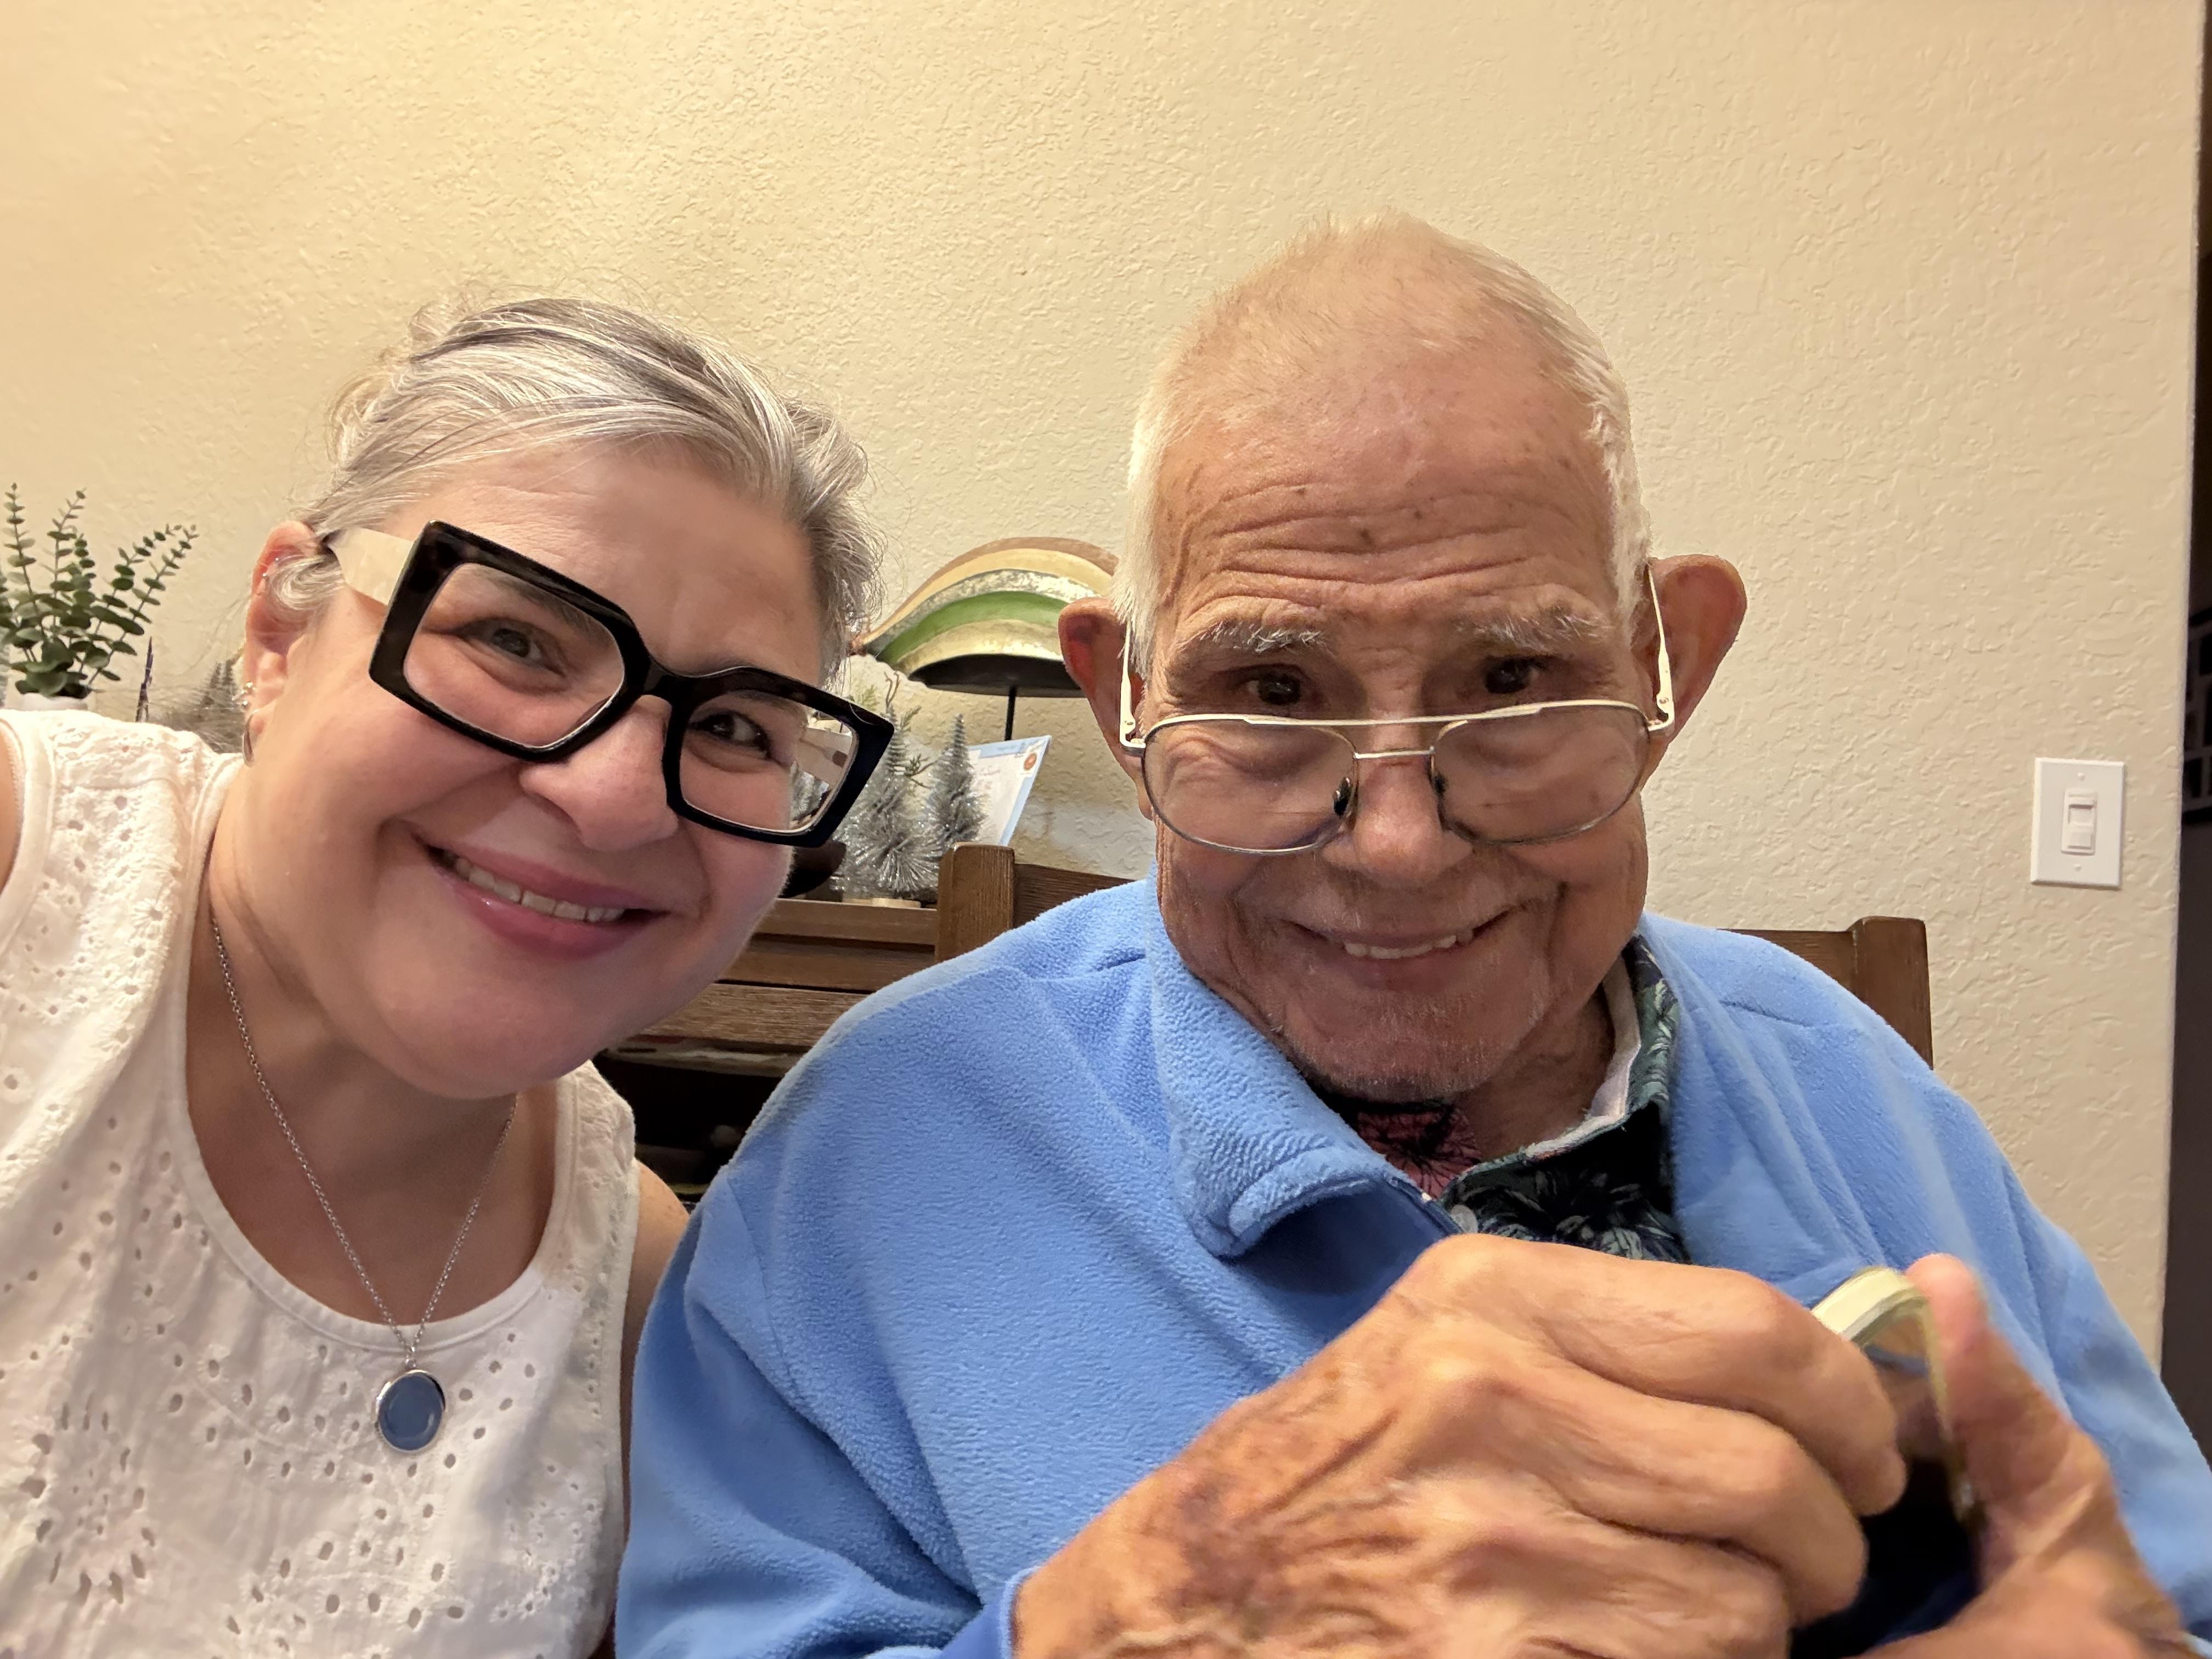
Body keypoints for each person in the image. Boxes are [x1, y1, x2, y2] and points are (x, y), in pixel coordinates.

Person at [619, 217, 2212, 1657]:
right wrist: (1138, 1624)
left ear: (1672, 670)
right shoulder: (877, 1152)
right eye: (1271, 691)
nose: (1396, 842)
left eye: (1517, 679)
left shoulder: (1857, 1089)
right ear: (1125, 696)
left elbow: (2156, 1590)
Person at [0, 296, 890, 1656]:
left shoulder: (644, 1300)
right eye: (516, 641)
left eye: (728, 723)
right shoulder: (26, 875)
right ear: (280, 636)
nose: (608, 799)